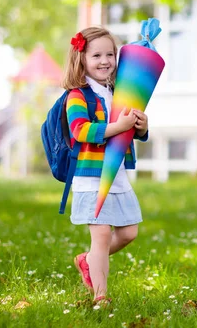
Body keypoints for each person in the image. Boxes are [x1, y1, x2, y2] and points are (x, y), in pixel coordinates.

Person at [62, 26, 149, 306]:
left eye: (110, 54)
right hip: (90, 177)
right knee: (100, 236)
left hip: (117, 176)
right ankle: (101, 297)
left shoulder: (119, 91)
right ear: (81, 59)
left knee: (128, 232)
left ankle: (87, 261)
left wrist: (140, 128)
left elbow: (127, 131)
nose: (105, 61)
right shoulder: (78, 95)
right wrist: (116, 126)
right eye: (96, 55)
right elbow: (80, 130)